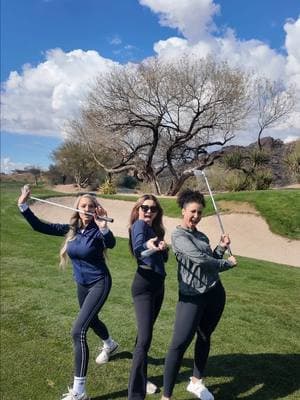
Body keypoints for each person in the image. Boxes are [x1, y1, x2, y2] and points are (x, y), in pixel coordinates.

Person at [18, 185, 119, 400]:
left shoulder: (98, 230)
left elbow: (111, 243)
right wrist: (23, 205)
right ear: (78, 208)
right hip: (82, 284)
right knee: (91, 321)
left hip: (99, 283)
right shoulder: (72, 229)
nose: (87, 208)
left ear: (96, 209)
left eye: (91, 206)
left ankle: (79, 391)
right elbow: (40, 227)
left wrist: (103, 227)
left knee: (78, 331)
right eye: (84, 205)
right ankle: (110, 344)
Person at [161, 189, 237, 400]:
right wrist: (226, 263)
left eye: (200, 212)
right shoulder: (178, 236)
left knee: (204, 336)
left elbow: (209, 258)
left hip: (214, 293)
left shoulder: (201, 235)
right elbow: (201, 261)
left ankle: (196, 382)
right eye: (193, 211)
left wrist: (220, 249)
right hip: (192, 297)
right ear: (183, 211)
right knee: (179, 343)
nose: (196, 216)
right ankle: (166, 396)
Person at [128, 194, 169, 400]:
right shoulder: (139, 226)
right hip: (144, 286)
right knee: (144, 339)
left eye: (153, 209)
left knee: (143, 339)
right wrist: (148, 247)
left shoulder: (155, 230)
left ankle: (141, 379)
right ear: (138, 209)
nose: (148, 211)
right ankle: (135, 394)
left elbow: (164, 259)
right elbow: (138, 248)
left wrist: (162, 248)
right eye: (145, 207)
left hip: (158, 286)